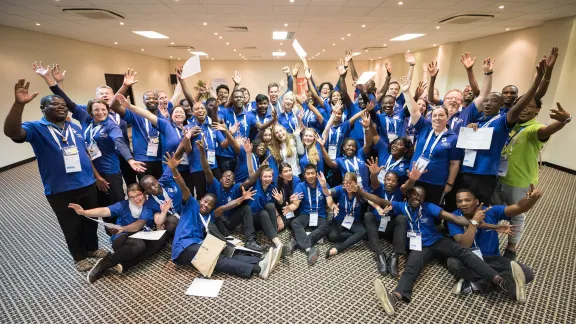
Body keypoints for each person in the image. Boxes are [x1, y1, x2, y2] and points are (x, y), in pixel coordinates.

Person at [357, 186, 524, 316]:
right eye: (415, 194)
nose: (418, 198)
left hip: (437, 240)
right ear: (409, 195)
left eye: (421, 196)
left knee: (463, 253)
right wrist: (360, 190)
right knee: (410, 269)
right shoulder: (400, 206)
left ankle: (498, 281)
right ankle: (395, 297)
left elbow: (456, 219)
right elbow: (378, 199)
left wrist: (481, 222)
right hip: (419, 246)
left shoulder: (429, 207)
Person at [4, 79, 106, 271]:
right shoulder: (35, 128)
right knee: (71, 224)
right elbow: (12, 131)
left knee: (91, 220)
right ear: (43, 108)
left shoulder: (74, 127)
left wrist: (96, 176)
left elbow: (85, 154)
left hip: (86, 182)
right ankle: (79, 256)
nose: (61, 107)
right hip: (61, 189)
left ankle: (92, 248)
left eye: (63, 105)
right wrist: (19, 105)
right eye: (55, 104)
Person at [454, 58, 546, 205]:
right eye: (486, 101)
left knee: (479, 210)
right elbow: (480, 93)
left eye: (494, 101)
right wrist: (471, 128)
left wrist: (537, 82)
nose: (488, 103)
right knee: (460, 205)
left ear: (501, 104)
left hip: (484, 174)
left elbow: (520, 105)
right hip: (465, 170)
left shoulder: (502, 121)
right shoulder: (477, 120)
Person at [493, 100, 571, 259]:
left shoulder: (534, 128)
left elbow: (546, 130)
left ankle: (511, 248)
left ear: (537, 110)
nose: (524, 109)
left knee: (517, 215)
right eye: (521, 105)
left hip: (519, 182)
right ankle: (490, 241)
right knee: (494, 211)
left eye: (529, 106)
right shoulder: (509, 124)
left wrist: (563, 121)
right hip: (498, 177)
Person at [171, 171, 278, 279]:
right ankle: (258, 269)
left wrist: (241, 199)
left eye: (210, 204)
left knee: (226, 252)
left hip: (198, 244)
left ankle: (260, 261)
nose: (206, 205)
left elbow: (224, 208)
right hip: (183, 248)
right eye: (205, 201)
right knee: (216, 257)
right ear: (201, 200)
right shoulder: (191, 206)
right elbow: (184, 188)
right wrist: (175, 171)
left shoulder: (209, 216)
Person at [447, 188, 542, 302]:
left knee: (527, 272)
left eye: (467, 200)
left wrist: (531, 199)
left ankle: (474, 285)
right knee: (453, 262)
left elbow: (518, 208)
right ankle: (502, 281)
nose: (463, 204)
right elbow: (464, 246)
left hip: (491, 258)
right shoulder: (454, 217)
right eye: (459, 201)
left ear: (476, 202)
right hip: (469, 259)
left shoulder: (491, 211)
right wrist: (474, 222)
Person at [68, 183, 169, 283]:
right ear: (128, 197)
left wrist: (163, 213)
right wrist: (84, 212)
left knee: (160, 240)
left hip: (142, 234)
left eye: (138, 195)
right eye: (132, 197)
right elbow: (104, 211)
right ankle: (105, 264)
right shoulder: (123, 205)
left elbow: (158, 220)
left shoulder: (150, 204)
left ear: (144, 193)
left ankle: (127, 264)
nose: (136, 199)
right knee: (139, 246)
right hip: (122, 237)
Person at [402, 75, 463, 205]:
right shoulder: (425, 127)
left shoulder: (453, 138)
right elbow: (414, 111)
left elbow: (454, 164)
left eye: (441, 115)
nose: (437, 118)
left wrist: (450, 183)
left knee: (429, 211)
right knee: (411, 206)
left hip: (435, 181)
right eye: (434, 115)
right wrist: (407, 92)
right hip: (415, 177)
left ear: (448, 117)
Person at [196, 138, 264, 252]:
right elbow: (207, 170)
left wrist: (260, 170)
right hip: (217, 222)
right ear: (221, 179)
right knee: (217, 215)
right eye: (226, 176)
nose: (228, 178)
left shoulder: (236, 187)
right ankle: (226, 243)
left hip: (230, 221)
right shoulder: (215, 185)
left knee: (246, 208)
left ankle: (251, 240)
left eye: (231, 177)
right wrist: (202, 152)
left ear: (234, 181)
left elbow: (250, 181)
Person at [363, 157, 423, 276]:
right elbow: (373, 184)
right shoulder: (378, 187)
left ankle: (395, 256)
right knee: (368, 215)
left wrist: (412, 180)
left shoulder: (400, 191)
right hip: (377, 225)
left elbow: (407, 186)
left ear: (397, 182)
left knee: (402, 218)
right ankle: (380, 254)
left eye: (393, 181)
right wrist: (373, 174)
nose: (390, 182)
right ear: (384, 180)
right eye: (388, 180)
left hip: (391, 227)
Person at [108, 70, 165, 179]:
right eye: (148, 98)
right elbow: (113, 105)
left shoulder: (163, 118)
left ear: (158, 100)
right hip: (142, 159)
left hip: (161, 158)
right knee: (146, 189)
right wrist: (125, 86)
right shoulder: (135, 115)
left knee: (162, 189)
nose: (151, 100)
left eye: (154, 98)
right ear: (143, 101)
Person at [284, 165, 337, 265]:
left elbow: (330, 201)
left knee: (327, 226)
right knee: (295, 222)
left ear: (316, 174)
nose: (310, 176)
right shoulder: (300, 186)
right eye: (308, 174)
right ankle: (309, 249)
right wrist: (289, 208)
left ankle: (296, 240)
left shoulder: (323, 185)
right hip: (306, 214)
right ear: (304, 175)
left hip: (320, 215)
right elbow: (296, 204)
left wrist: (333, 207)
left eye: (312, 173)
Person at [321, 112, 373, 190]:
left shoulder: (360, 153)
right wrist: (322, 147)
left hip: (365, 191)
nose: (351, 148)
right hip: (349, 192)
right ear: (344, 147)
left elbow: (368, 144)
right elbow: (331, 164)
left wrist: (367, 128)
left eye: (353, 146)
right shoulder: (340, 160)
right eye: (348, 146)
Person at [325, 172, 367, 259]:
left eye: (350, 183)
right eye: (345, 183)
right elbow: (328, 192)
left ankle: (338, 249)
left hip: (354, 220)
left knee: (363, 232)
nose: (347, 186)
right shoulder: (340, 189)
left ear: (356, 183)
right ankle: (354, 237)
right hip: (339, 219)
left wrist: (360, 192)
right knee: (332, 237)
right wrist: (323, 186)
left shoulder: (361, 191)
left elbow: (370, 200)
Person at [273, 162, 303, 231]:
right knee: (282, 225)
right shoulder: (276, 183)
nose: (289, 173)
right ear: (280, 175)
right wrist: (280, 202)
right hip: (282, 208)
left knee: (291, 224)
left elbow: (297, 200)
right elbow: (274, 203)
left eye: (290, 170)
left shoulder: (296, 180)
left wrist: (291, 201)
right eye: (286, 171)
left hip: (293, 207)